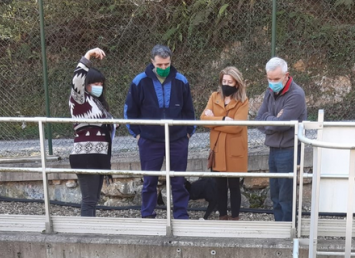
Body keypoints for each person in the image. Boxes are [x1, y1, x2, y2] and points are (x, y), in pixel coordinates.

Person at [124, 45, 196, 219]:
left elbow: (189, 110)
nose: (164, 68)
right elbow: (130, 110)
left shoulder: (181, 80)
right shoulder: (139, 81)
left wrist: (188, 132)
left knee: (178, 179)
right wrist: (137, 134)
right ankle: (147, 213)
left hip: (177, 139)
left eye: (167, 64)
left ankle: (180, 213)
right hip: (150, 140)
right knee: (149, 180)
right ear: (152, 62)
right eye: (160, 65)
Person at [256, 57, 307, 222]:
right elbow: (258, 121)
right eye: (269, 79)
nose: (272, 82)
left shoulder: (296, 94)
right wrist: (273, 120)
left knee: (286, 194)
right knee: (275, 193)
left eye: (276, 79)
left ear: (286, 75)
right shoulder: (269, 92)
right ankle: (279, 226)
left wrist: (269, 120)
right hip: (273, 149)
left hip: (289, 149)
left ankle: (288, 229)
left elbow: (282, 124)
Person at [69, 47, 116, 217]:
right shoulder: (79, 99)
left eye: (101, 84)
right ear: (86, 84)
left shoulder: (96, 102)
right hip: (86, 155)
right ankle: (85, 233)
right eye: (95, 83)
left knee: (94, 198)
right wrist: (87, 56)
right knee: (89, 199)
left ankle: (89, 228)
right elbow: (77, 81)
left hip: (99, 155)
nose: (99, 87)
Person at [200, 66, 250, 220]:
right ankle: (222, 216)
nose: (226, 84)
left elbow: (237, 127)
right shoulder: (214, 96)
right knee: (219, 185)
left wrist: (213, 119)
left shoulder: (243, 101)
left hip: (235, 150)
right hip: (217, 149)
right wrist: (222, 119)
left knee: (234, 186)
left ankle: (235, 217)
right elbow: (203, 119)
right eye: (224, 81)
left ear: (237, 84)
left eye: (230, 81)